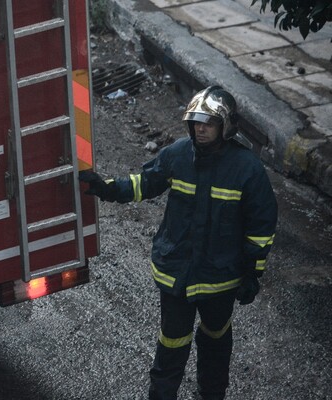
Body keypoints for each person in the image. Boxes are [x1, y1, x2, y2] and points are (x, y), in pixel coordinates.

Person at [79, 86, 277, 400]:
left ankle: (212, 394)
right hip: (176, 275)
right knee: (172, 343)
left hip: (219, 279)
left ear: (225, 127)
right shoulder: (178, 154)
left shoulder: (247, 169)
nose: (200, 128)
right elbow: (144, 183)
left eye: (208, 123)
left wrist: (253, 273)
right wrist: (105, 188)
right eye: (196, 122)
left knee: (215, 340)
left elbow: (261, 225)